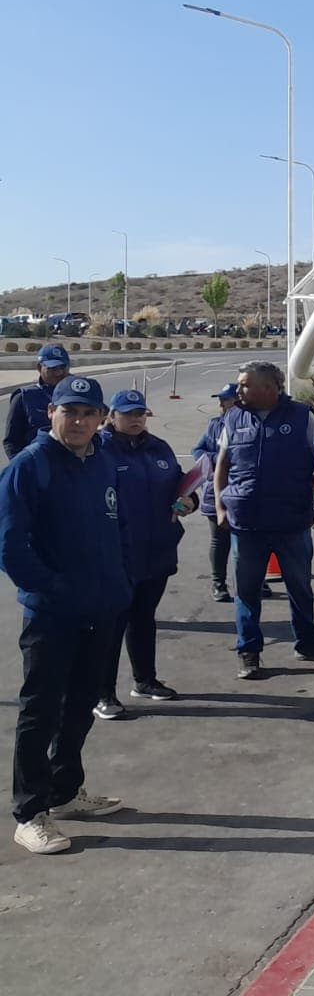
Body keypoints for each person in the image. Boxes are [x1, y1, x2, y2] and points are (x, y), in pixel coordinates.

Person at [0, 376, 129, 855]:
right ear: (51, 412)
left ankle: (65, 791)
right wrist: (56, 589)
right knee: (41, 711)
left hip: (102, 608)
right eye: (69, 411)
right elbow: (10, 548)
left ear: (101, 419)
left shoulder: (102, 462)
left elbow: (118, 528)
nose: (78, 421)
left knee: (80, 706)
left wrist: (121, 582)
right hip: (53, 614)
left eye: (88, 413)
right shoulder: (30, 467)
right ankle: (30, 813)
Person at [214, 360, 314, 680]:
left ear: (270, 387)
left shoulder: (302, 416)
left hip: (291, 521)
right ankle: (248, 650)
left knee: (300, 587)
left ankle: (307, 642)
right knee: (247, 591)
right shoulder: (233, 417)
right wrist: (222, 508)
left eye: (245, 384)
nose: (238, 390)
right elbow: (221, 466)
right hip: (246, 522)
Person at [94, 390, 197, 718]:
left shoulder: (160, 448)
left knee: (143, 620)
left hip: (158, 550)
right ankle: (103, 693)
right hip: (118, 554)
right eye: (127, 413)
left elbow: (180, 485)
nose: (136, 419)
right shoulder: (99, 450)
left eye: (140, 413)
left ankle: (145, 680)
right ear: (111, 417)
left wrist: (190, 502)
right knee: (111, 626)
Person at [193, 384, 239, 604]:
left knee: (250, 542)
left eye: (225, 399)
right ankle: (218, 583)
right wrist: (215, 459)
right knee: (219, 541)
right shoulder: (214, 425)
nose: (220, 404)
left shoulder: (248, 422)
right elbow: (197, 450)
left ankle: (255, 581)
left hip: (243, 490)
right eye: (219, 399)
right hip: (216, 491)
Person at [5, 344, 70, 459]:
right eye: (53, 368)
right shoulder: (24, 397)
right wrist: (24, 468)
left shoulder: (80, 394)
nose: (59, 373)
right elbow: (12, 441)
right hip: (39, 466)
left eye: (62, 367)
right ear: (39, 368)